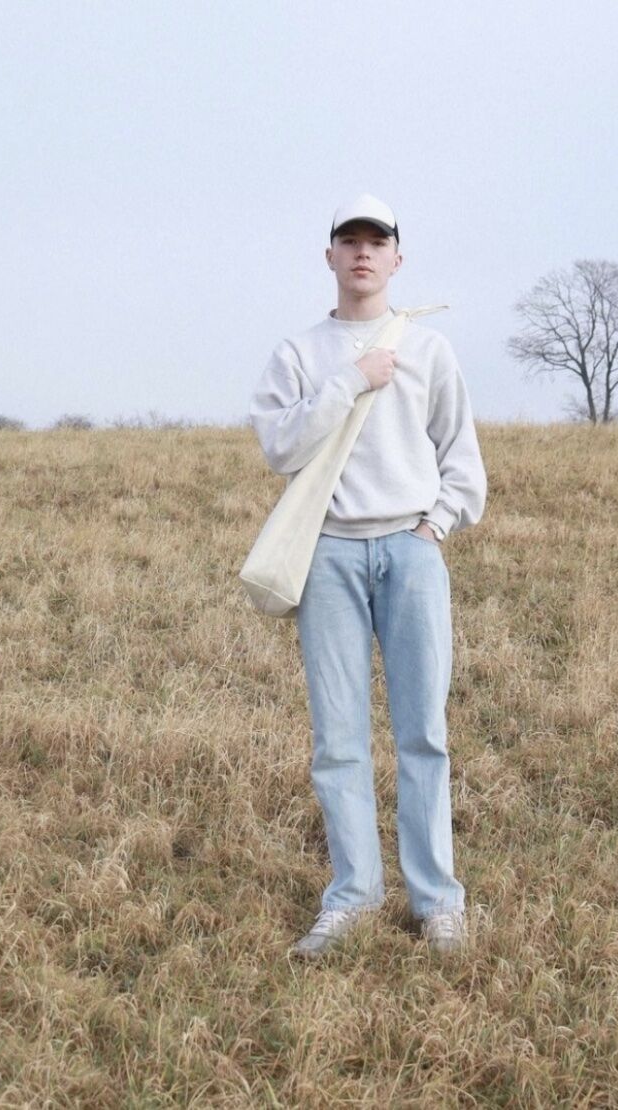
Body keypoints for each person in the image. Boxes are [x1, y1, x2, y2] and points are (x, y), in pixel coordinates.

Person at [249, 194, 487, 958]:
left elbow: (462, 455)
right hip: (329, 555)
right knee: (339, 739)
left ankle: (436, 901)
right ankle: (351, 896)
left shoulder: (430, 349)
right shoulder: (298, 353)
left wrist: (433, 527)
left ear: (396, 257)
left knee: (424, 733)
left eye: (375, 241)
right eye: (348, 241)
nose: (361, 253)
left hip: (410, 552)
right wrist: (349, 380)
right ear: (329, 257)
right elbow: (282, 447)